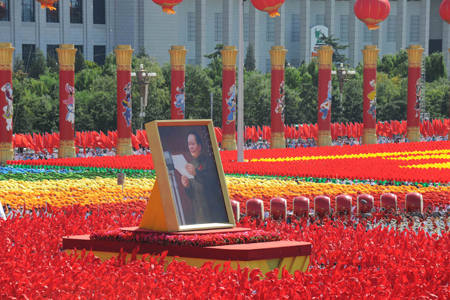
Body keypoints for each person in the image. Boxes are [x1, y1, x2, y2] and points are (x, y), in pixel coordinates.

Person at [181, 132, 228, 224]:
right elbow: (192, 194)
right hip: (198, 212)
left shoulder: (210, 162)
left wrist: (196, 173)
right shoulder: (191, 164)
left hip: (212, 211)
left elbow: (214, 183)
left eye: (193, 144)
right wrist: (187, 186)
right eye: (189, 144)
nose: (191, 147)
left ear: (199, 146)